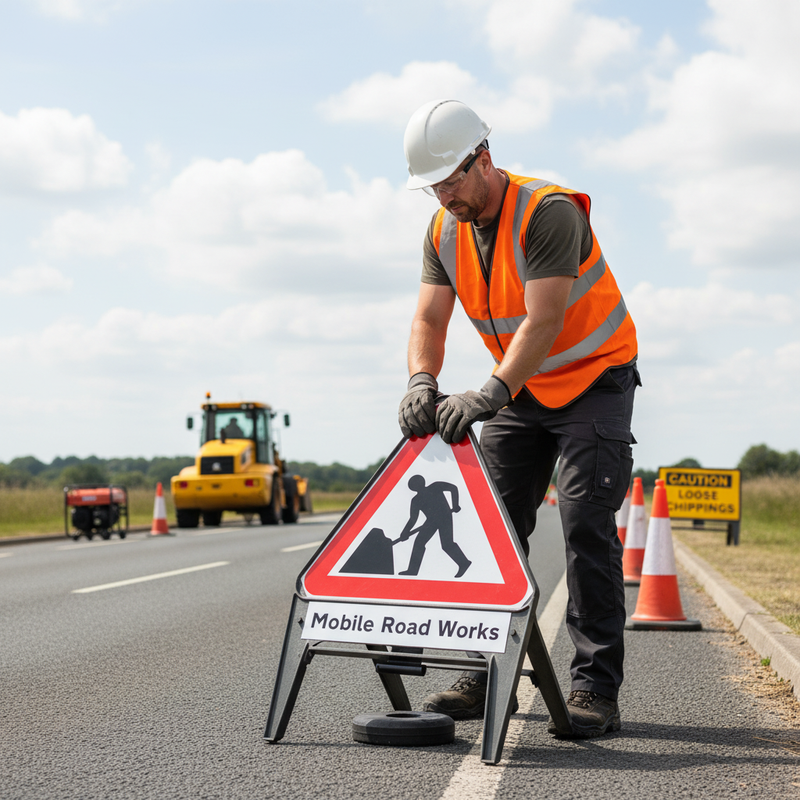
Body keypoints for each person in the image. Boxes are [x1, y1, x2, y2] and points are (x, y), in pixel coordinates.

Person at [397, 99, 639, 738]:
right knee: (493, 530)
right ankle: (483, 672)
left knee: (587, 522)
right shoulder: (442, 231)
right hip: (520, 391)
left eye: (453, 179)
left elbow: (546, 319)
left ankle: (594, 690)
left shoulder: (547, 212)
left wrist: (485, 395)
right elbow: (428, 319)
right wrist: (423, 378)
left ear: (484, 158)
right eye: (434, 186)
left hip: (592, 380)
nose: (446, 196)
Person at [395, 474, 469, 578]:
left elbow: (453, 488)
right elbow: (413, 519)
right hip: (431, 521)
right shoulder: (416, 500)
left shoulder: (435, 487)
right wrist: (405, 532)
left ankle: (464, 563)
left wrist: (455, 505)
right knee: (419, 543)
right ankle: (412, 570)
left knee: (447, 544)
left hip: (444, 517)